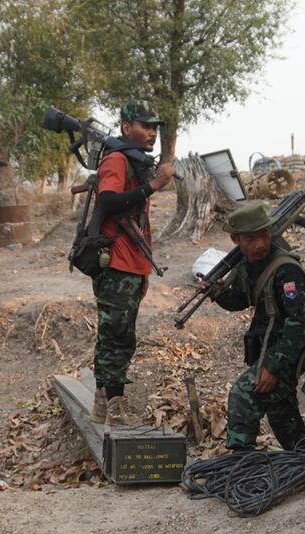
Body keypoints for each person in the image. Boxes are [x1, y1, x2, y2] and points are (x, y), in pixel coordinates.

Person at [88, 99, 175, 427]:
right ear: (127, 128)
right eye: (145, 126)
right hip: (116, 264)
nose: (152, 132)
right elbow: (108, 200)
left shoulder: (135, 162)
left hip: (131, 263)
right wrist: (154, 185)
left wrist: (143, 268)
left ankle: (102, 401)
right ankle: (116, 407)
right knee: (118, 335)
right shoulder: (117, 160)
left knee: (116, 333)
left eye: (154, 127)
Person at [208, 202, 305, 452]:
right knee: (281, 412)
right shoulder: (250, 264)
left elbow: (300, 324)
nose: (259, 244)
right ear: (236, 239)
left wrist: (273, 368)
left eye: (264, 236)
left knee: (243, 395)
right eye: (251, 239)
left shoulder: (286, 269)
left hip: (287, 352)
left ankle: (242, 464)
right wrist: (217, 292)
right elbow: (241, 300)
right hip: (272, 349)